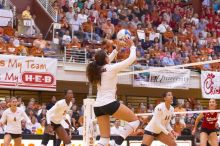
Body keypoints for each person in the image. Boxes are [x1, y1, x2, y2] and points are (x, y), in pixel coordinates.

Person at [86, 37, 140, 146]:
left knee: (104, 140)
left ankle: (114, 143)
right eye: (107, 55)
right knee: (135, 121)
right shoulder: (110, 68)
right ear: (105, 59)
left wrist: (116, 50)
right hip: (109, 103)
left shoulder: (97, 69)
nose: (108, 56)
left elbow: (107, 60)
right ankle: (117, 142)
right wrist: (132, 45)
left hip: (98, 107)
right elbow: (131, 59)